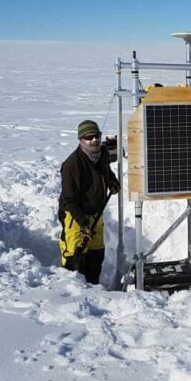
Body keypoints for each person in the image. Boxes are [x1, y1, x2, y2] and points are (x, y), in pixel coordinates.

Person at [58, 119, 119, 284]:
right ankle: (73, 293)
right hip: (75, 216)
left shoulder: (102, 154)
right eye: (89, 137)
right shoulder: (72, 166)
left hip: (96, 213)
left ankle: (95, 288)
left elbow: (106, 170)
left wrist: (112, 181)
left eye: (97, 136)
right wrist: (83, 224)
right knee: (76, 259)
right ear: (80, 140)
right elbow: (69, 201)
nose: (94, 140)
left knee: (96, 254)